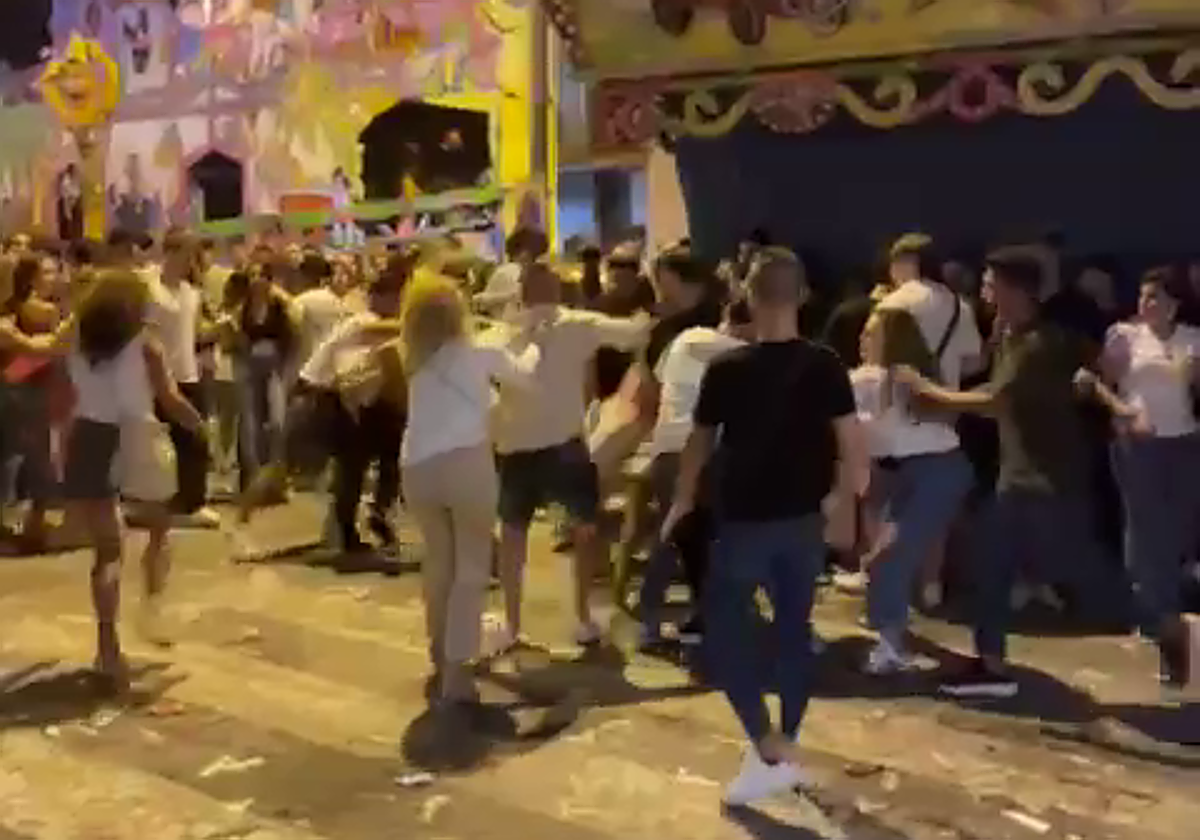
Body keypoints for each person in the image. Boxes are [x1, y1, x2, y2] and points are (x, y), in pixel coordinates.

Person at [663, 249, 864, 805]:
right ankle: (784, 742)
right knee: (794, 633)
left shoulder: (727, 369)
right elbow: (854, 448)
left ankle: (765, 742)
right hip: (803, 523)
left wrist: (680, 501)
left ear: (749, 298)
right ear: (801, 297)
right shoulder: (826, 365)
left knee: (725, 634)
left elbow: (697, 446)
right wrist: (845, 505)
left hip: (745, 524)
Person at [897, 249, 1132, 698]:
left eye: (990, 283)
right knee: (992, 565)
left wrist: (930, 393)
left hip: (1047, 481)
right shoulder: (1016, 337)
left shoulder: (1038, 344)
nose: (983, 291)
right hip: (1020, 477)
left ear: (1014, 290)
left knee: (1085, 576)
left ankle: (1164, 625)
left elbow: (997, 401)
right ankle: (991, 666)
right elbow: (997, 392)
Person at [393, 272, 540, 705]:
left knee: (439, 561)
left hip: (416, 466)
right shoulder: (480, 351)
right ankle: (458, 673)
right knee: (472, 568)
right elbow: (526, 378)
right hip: (465, 462)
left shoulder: (414, 358)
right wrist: (530, 339)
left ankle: (440, 655)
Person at [488, 262, 650, 650]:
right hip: (565, 444)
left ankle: (511, 624)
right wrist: (647, 316)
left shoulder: (498, 334)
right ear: (558, 292)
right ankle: (581, 618)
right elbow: (632, 335)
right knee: (585, 528)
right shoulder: (577, 323)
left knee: (513, 535)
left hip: (514, 447)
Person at [63, 271, 206, 693]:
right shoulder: (146, 343)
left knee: (107, 553)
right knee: (161, 526)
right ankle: (153, 605)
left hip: (87, 435)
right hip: (136, 435)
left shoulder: (76, 335)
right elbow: (170, 399)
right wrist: (199, 426)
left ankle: (108, 647)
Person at [862, 234, 979, 675]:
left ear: (903, 262)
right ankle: (894, 627)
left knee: (889, 542)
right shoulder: (958, 305)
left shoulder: (892, 304)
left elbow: (874, 364)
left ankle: (887, 631)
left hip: (890, 437)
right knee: (902, 544)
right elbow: (970, 365)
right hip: (937, 432)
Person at [1101, 267, 1200, 689]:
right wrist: (1121, 412)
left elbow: (1192, 386)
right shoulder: (1123, 334)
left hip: (1185, 445)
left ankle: (1160, 609)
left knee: (1175, 536)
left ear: (1175, 303)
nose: (1146, 305)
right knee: (1144, 533)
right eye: (1142, 297)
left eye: (1155, 297)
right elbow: (1102, 383)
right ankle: (1166, 629)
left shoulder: (1192, 338)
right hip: (1137, 446)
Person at [635, 299, 752, 646]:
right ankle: (665, 616)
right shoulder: (735, 352)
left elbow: (654, 387)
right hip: (700, 453)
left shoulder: (682, 341)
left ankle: (669, 617)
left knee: (678, 535)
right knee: (699, 536)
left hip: (666, 448)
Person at [147, 229, 219, 527]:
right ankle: (182, 501)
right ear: (173, 252)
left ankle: (191, 500)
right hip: (161, 377)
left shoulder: (192, 293)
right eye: (190, 252)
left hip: (190, 374)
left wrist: (218, 332)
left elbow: (196, 334)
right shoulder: (151, 288)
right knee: (177, 440)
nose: (194, 260)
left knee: (195, 440)